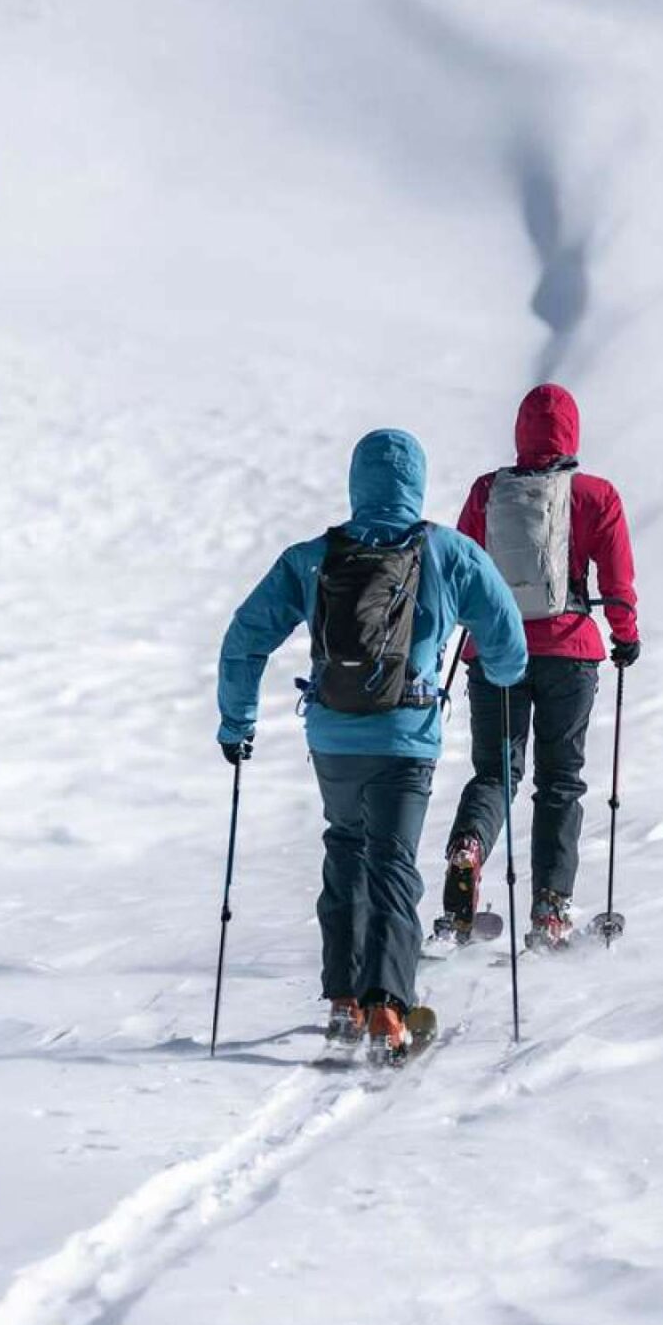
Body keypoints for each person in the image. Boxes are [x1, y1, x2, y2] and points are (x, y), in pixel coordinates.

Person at [217, 428, 527, 1062]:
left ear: (357, 482)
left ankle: (343, 1001)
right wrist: (500, 673)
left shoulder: (312, 558)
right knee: (391, 862)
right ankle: (388, 1006)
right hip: (406, 739)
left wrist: (237, 723)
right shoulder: (446, 550)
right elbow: (506, 635)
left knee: (345, 849)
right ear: (415, 481)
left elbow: (245, 637)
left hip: (333, 736)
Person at [437, 383, 640, 950]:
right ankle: (550, 910)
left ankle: (468, 850)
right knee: (559, 783)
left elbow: (460, 568)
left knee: (495, 773)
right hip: (570, 652)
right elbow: (618, 585)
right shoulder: (595, 496)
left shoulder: (486, 492)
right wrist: (625, 637)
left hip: (496, 655)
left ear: (520, 431)